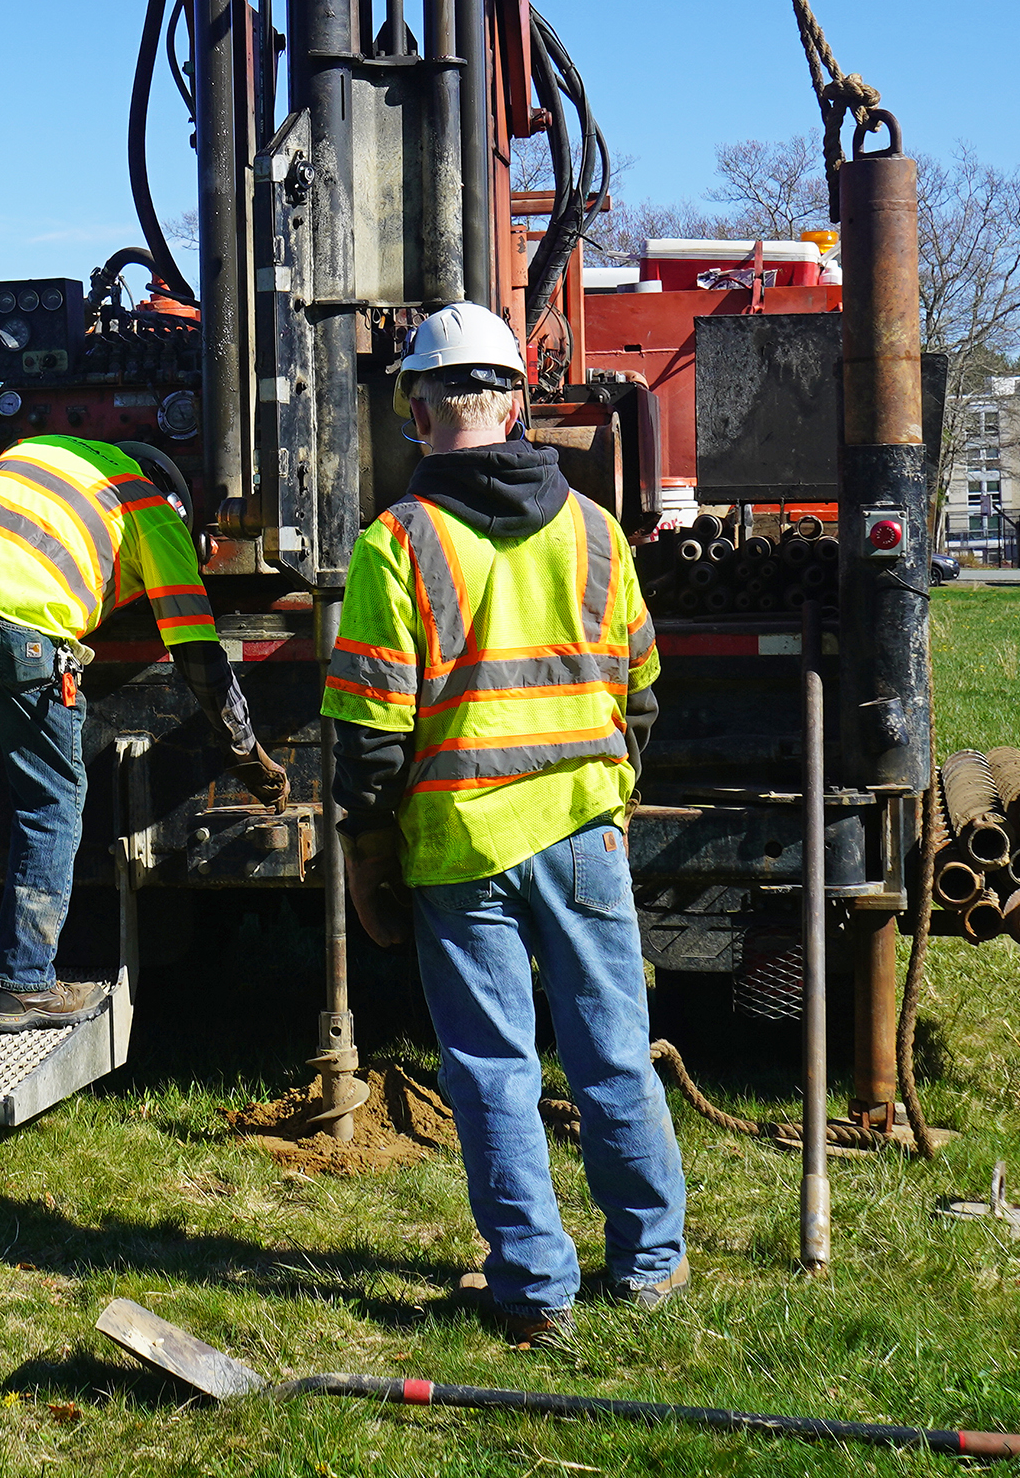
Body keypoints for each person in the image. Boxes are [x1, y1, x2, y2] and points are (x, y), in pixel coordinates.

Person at [321, 301, 684, 1349]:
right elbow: (643, 692)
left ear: (416, 412)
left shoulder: (397, 544)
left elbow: (371, 736)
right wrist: (604, 800)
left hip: (458, 846)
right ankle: (650, 1265)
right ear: (518, 403)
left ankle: (533, 1290)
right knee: (612, 1049)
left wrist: (366, 859)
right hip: (583, 835)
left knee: (491, 1069)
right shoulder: (596, 530)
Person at [0, 434, 283, 1038]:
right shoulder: (153, 511)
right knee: (51, 802)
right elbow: (196, 651)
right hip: (20, 619)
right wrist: (246, 750)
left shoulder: (42, 450)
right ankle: (24, 987)